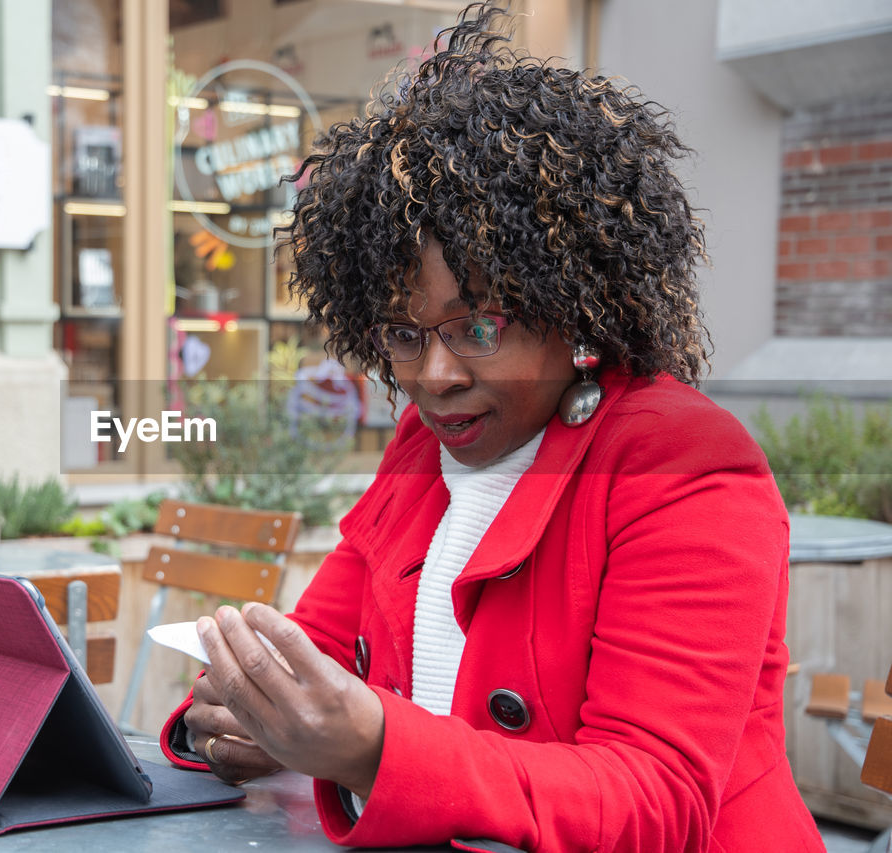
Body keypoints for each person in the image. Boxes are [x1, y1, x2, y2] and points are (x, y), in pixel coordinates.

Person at [157, 4, 827, 851]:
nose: (436, 377)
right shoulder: (422, 450)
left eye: (480, 327)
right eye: (405, 333)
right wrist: (238, 715)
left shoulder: (686, 464)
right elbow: (315, 652)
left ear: (575, 306)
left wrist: (372, 747)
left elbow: (656, 797)